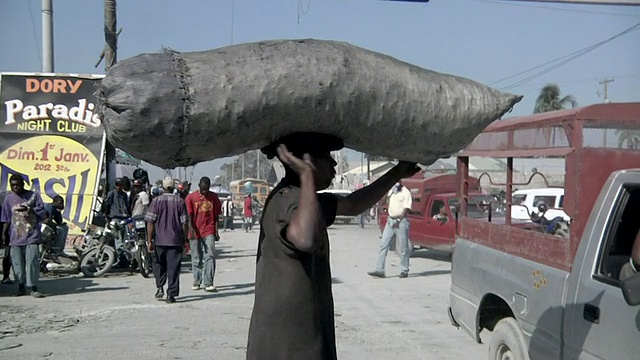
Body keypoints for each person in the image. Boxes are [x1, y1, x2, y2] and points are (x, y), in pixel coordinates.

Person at [246, 132, 419, 359]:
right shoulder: (289, 200)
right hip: (289, 344)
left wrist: (396, 172)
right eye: (327, 156)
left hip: (303, 334)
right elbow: (305, 239)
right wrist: (307, 175)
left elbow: (352, 204)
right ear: (308, 161)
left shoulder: (306, 199)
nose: (334, 162)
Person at [0, 174, 46, 298]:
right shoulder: (8, 199)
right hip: (15, 237)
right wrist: (4, 233)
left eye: (18, 185)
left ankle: (33, 287)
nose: (16, 187)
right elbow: (6, 218)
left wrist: (31, 210)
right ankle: (20, 287)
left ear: (23, 184)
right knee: (17, 264)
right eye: (13, 185)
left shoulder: (33, 196)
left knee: (32, 261)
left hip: (32, 235)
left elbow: (43, 213)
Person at [145, 176, 189, 303]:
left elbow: (150, 222)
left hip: (159, 240)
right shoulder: (180, 202)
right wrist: (185, 239)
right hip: (175, 241)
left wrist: (149, 240)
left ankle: (160, 286)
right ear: (173, 187)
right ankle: (171, 294)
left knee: (159, 265)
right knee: (173, 268)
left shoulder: (156, 201)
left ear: (162, 187)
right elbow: (184, 223)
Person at [368, 181, 413, 279]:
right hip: (390, 220)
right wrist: (387, 192)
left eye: (397, 182)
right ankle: (379, 269)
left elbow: (406, 209)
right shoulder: (392, 192)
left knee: (403, 247)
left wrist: (398, 219)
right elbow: (383, 202)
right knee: (383, 244)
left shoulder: (406, 192)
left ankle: (404, 270)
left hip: (401, 221)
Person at [185, 177, 222, 292]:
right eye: (203, 189)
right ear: (199, 185)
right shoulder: (191, 198)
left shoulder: (214, 198)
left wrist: (216, 231)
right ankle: (197, 280)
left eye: (207, 189)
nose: (205, 192)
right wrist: (190, 229)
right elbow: (189, 216)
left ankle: (208, 282)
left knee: (209, 255)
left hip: (208, 229)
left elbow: (216, 217)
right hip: (195, 230)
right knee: (196, 258)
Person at [0, 191, 13, 284]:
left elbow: (6, 221)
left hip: (7, 233)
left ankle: (6, 276)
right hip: (6, 233)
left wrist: (3, 233)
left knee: (8, 256)